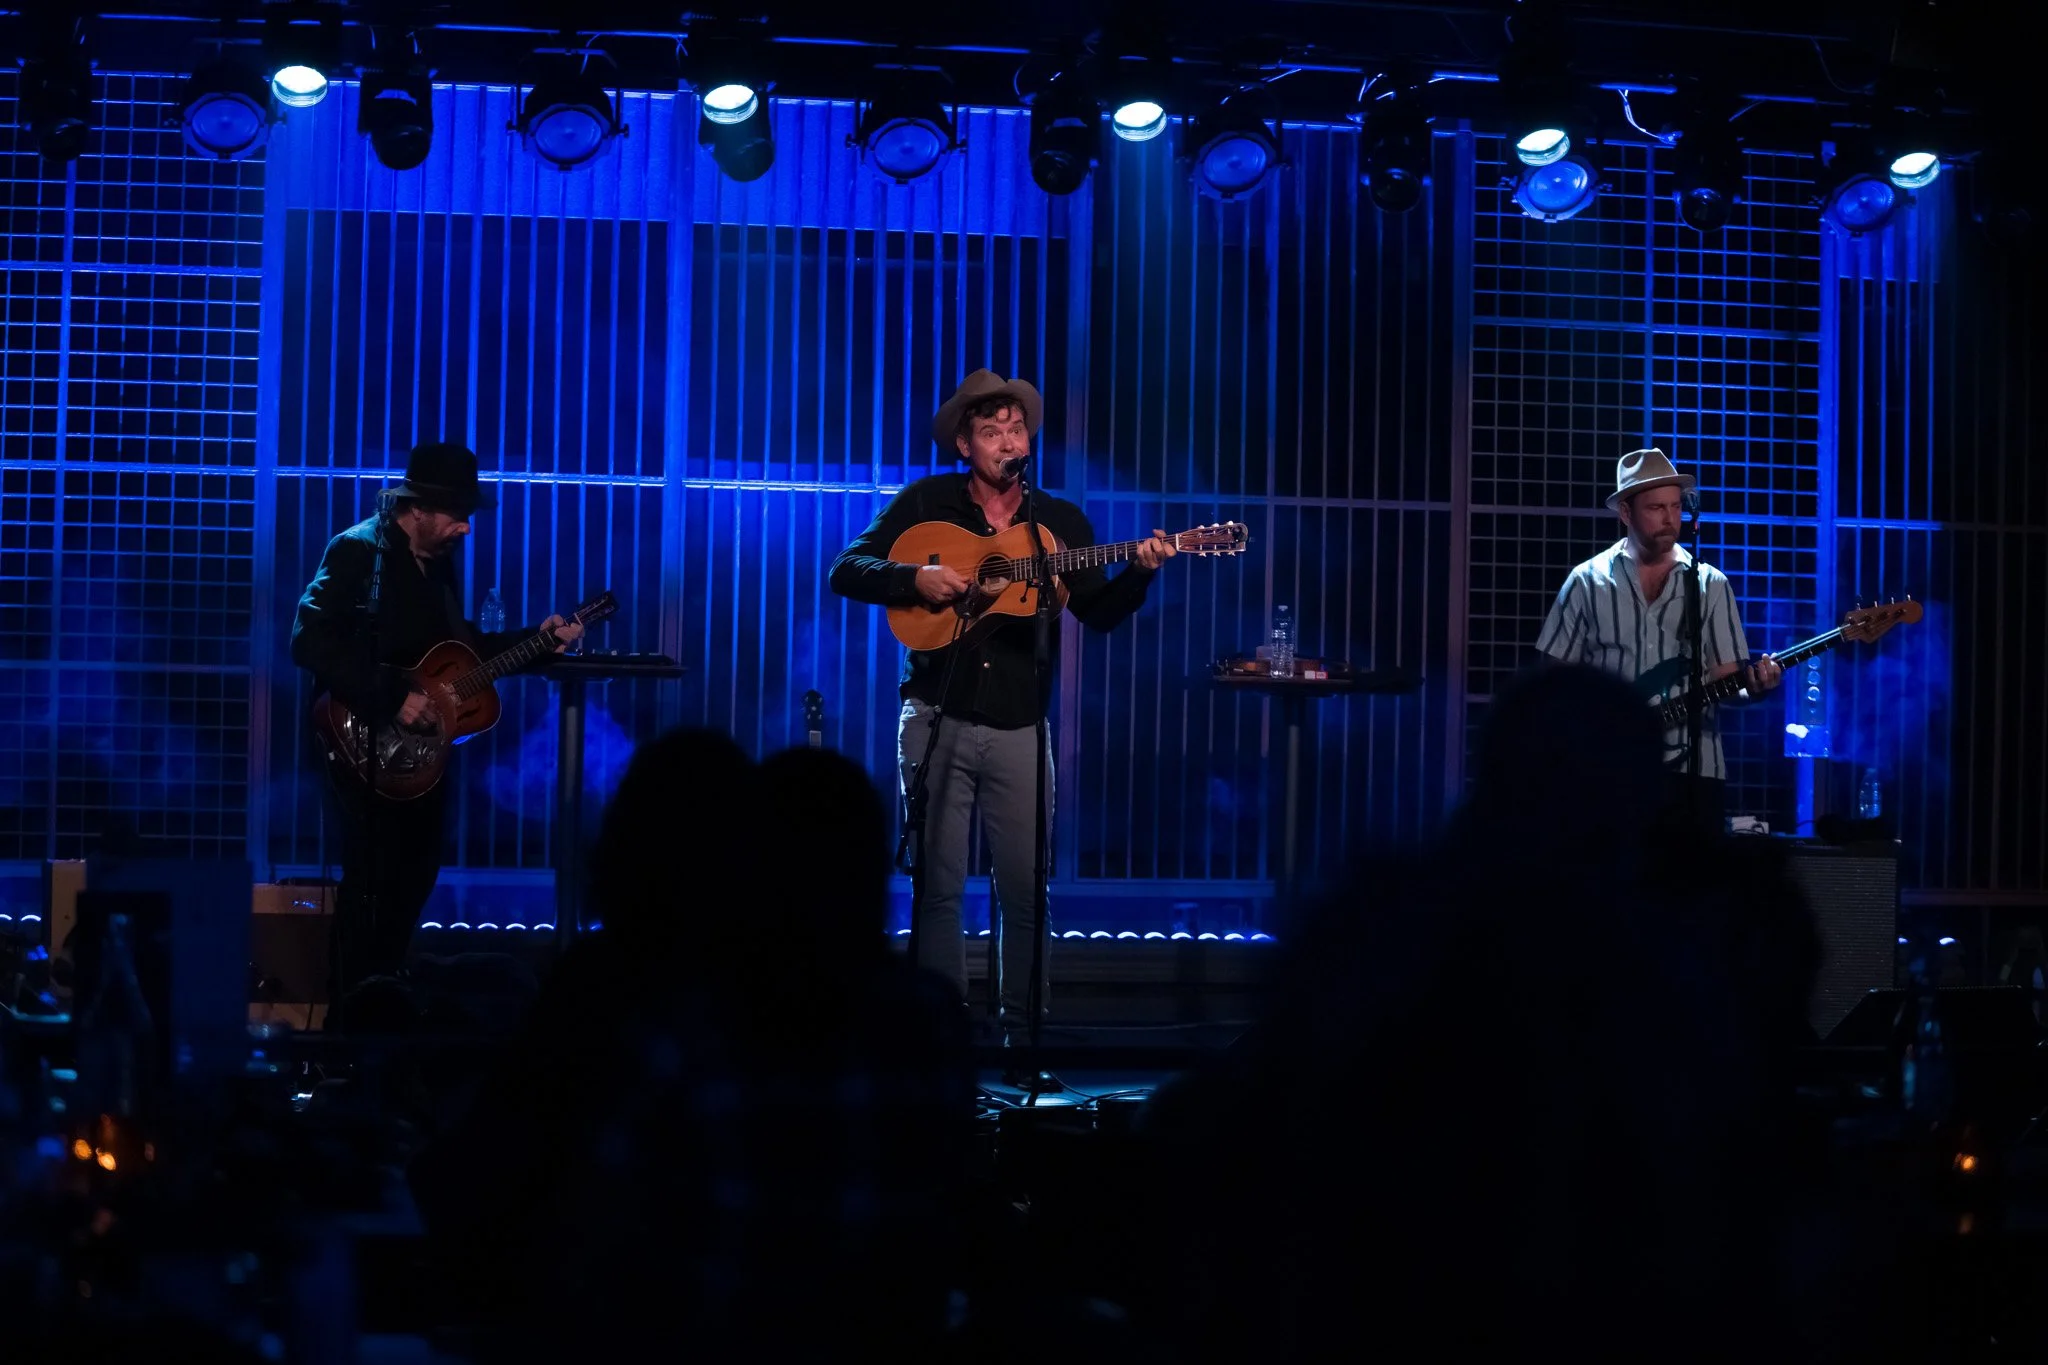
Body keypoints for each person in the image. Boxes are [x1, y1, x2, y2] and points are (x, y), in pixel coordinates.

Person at [828, 370, 1174, 1088]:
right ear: (966, 444)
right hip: (936, 715)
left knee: (1024, 889)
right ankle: (941, 1050)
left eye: (1016, 429)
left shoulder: (1058, 525)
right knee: (939, 887)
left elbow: (1100, 615)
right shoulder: (926, 504)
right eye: (992, 430)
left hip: (1020, 723)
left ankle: (1023, 1046)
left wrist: (1141, 572)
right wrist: (913, 579)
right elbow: (846, 568)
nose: (1008, 440)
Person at [289, 440, 582, 1006]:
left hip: (418, 754)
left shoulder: (439, 565)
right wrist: (390, 694)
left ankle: (386, 995)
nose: (465, 528)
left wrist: (539, 642)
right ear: (417, 507)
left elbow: (460, 652)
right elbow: (309, 639)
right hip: (357, 742)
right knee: (371, 876)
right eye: (455, 513)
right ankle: (350, 1014)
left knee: (416, 869)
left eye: (468, 515)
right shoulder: (357, 550)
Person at [1534, 448, 1783, 837]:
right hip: (1605, 775)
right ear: (1626, 513)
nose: (1670, 518)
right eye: (1656, 508)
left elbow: (1727, 682)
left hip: (1694, 777)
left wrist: (1757, 688)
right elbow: (1552, 684)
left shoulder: (1711, 584)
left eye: (1675, 506)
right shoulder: (1586, 581)